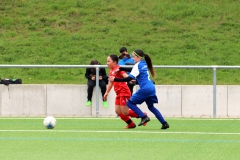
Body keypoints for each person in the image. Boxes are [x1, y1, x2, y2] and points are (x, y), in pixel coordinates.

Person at [109, 49, 169, 129]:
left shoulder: (137, 65)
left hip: (145, 88)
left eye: (133, 57)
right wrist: (121, 69)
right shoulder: (143, 63)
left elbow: (128, 78)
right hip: (151, 87)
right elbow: (133, 69)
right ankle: (164, 123)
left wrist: (115, 79)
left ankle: (143, 117)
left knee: (129, 103)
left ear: (138, 57)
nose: (133, 58)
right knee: (151, 107)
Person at [103, 54, 147, 129]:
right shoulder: (111, 71)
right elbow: (111, 82)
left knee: (125, 112)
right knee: (118, 111)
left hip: (124, 92)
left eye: (108, 61)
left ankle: (143, 115)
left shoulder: (118, 69)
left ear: (114, 62)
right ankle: (131, 124)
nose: (107, 63)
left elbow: (125, 75)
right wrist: (107, 92)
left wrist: (130, 79)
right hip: (118, 93)